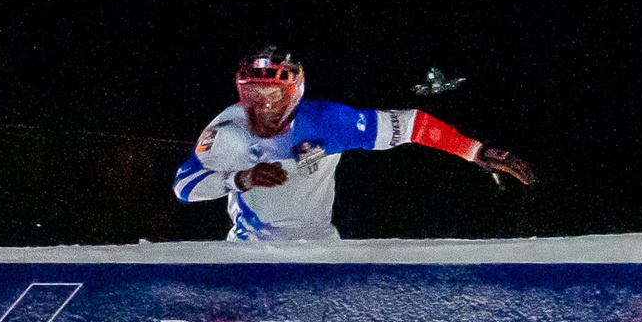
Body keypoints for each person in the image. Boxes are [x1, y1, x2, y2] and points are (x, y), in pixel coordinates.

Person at [173, 46, 534, 241]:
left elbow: (410, 124)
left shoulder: (329, 121)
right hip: (250, 254)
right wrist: (240, 179)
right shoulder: (227, 130)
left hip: (319, 250)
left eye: (274, 95)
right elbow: (184, 187)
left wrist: (475, 151)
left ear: (295, 90)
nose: (264, 107)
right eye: (255, 95)